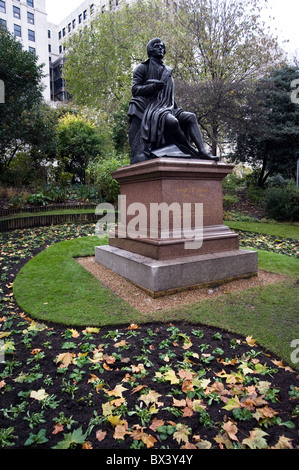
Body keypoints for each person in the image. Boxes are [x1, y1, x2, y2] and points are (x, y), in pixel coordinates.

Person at [128, 38, 219, 164]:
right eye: (156, 46)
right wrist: (153, 87)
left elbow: (169, 95)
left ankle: (202, 151)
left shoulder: (168, 71)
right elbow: (135, 89)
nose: (160, 48)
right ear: (150, 49)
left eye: (162, 46)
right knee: (172, 122)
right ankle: (187, 148)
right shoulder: (142, 68)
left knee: (191, 117)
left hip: (168, 107)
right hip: (152, 108)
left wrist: (176, 108)